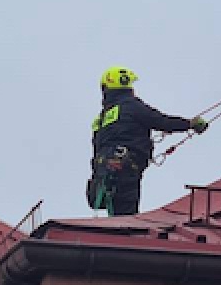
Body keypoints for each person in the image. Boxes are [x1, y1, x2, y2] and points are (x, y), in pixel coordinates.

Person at [88, 68, 207, 216]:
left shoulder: (101, 119)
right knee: (126, 217)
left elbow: (97, 147)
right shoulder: (132, 106)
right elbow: (161, 121)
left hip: (103, 170)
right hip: (124, 167)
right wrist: (190, 124)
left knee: (115, 211)